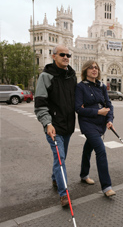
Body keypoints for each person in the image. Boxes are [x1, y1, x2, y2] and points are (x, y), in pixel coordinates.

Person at [34, 44, 77, 207]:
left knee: (61, 156)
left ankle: (55, 178)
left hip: (68, 126)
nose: (66, 57)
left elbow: (77, 101)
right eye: (62, 54)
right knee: (60, 159)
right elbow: (40, 104)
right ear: (54, 56)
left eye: (68, 55)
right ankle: (64, 194)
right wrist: (47, 123)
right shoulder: (46, 76)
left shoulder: (72, 76)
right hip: (53, 127)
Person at [75, 60, 116, 197]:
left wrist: (109, 120)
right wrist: (97, 112)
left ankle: (84, 174)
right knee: (101, 150)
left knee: (88, 148)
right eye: (91, 68)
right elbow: (78, 109)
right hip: (88, 123)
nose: (94, 70)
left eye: (96, 68)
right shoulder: (80, 87)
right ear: (85, 70)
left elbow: (109, 105)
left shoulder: (102, 86)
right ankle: (106, 186)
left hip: (100, 124)